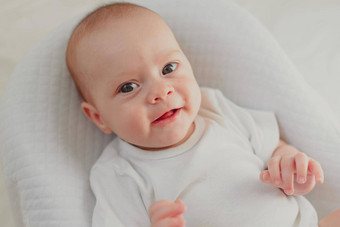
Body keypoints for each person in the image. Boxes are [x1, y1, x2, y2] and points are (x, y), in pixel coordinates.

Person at [65, 2, 339, 226]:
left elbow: (273, 147)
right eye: (128, 87)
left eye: (168, 69)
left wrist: (289, 166)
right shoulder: (118, 173)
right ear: (99, 117)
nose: (161, 92)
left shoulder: (214, 108)